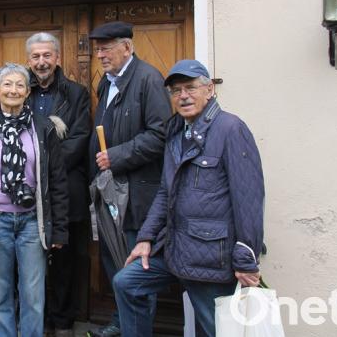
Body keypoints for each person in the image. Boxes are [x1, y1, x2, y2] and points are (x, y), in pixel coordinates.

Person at [113, 59, 265, 337]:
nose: (183, 96)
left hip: (211, 255)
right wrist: (146, 237)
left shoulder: (231, 129)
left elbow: (249, 198)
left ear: (209, 90)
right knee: (127, 282)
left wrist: (246, 255)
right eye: (176, 91)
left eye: (191, 88)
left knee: (217, 329)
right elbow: (165, 191)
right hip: (174, 248)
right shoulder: (176, 132)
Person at [0, 63, 70, 337]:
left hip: (33, 222)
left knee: (33, 294)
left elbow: (57, 181)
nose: (13, 89)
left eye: (20, 84)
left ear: (28, 91)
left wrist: (59, 228)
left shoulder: (43, 129)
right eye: (7, 84)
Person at [86, 21, 172, 337]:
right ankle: (123, 323)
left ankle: (135, 330)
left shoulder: (149, 80)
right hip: (111, 193)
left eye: (107, 48)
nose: (101, 54)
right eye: (98, 49)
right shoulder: (106, 83)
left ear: (128, 47)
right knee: (114, 262)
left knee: (136, 270)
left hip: (137, 196)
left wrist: (118, 156)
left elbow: (161, 134)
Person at [24, 32, 92, 337]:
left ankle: (63, 322)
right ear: (29, 60)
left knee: (65, 259)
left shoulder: (76, 94)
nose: (42, 62)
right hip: (26, 190)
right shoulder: (18, 90)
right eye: (36, 56)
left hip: (67, 189)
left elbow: (79, 139)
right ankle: (35, 321)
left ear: (57, 58)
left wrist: (44, 167)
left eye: (47, 55)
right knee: (30, 259)